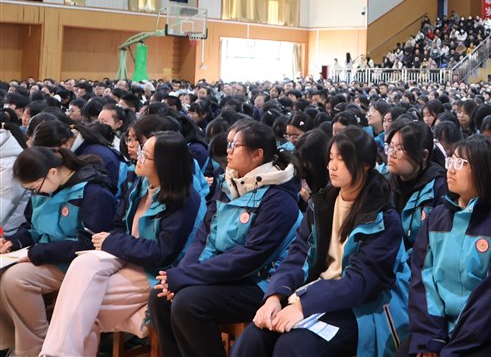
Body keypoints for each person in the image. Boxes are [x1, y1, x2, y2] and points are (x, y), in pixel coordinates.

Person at [232, 127, 410, 357]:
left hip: (362, 308)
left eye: (342, 160)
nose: (332, 166)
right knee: (253, 338)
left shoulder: (383, 217)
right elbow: (298, 254)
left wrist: (304, 305)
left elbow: (362, 282)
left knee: (293, 346)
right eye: (330, 158)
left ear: (366, 165)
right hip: (315, 293)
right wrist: (275, 296)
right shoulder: (322, 204)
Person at [41, 131, 202, 356]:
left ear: (165, 164)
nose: (137, 156)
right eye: (141, 151)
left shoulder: (184, 199)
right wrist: (115, 241)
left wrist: (114, 241)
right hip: (126, 255)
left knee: (83, 308)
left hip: (154, 269)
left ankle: (54, 354)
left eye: (146, 155)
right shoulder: (139, 183)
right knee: (82, 265)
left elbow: (161, 253)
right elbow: (117, 225)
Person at [147, 123, 301, 357]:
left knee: (189, 303)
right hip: (225, 275)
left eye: (235, 146)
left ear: (257, 154)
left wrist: (188, 277)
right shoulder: (230, 183)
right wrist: (184, 274)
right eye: (229, 144)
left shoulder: (279, 198)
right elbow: (204, 238)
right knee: (160, 296)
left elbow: (250, 257)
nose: (227, 151)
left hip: (261, 283)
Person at [403, 135, 491, 356]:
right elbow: (422, 280)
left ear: (485, 171)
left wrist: (453, 349)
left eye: (461, 163)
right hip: (442, 326)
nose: (451, 169)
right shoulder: (437, 217)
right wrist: (431, 337)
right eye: (451, 160)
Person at [0, 147, 116, 357]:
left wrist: (38, 252)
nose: (35, 192)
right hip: (46, 253)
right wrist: (13, 242)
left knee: (16, 280)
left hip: (76, 263)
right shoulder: (45, 187)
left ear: (53, 172)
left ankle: (35, 349)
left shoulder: (93, 191)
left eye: (35, 187)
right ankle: (11, 344)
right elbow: (31, 227)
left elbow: (89, 243)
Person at [386, 120, 447, 249]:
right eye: (391, 147)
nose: (391, 154)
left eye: (400, 149)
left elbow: (436, 244)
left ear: (424, 155)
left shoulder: (439, 189)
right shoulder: (385, 183)